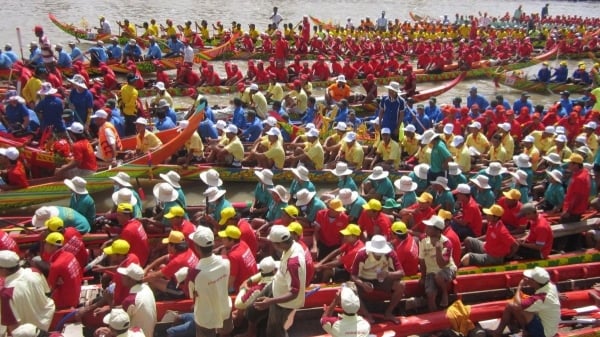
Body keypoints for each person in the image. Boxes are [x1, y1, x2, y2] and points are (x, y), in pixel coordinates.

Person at [245, 225, 306, 337]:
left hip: (285, 302)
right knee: (252, 310)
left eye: (273, 243)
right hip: (276, 285)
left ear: (280, 244)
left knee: (274, 331)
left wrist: (270, 301)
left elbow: (294, 292)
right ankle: (251, 333)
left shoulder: (293, 263)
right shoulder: (291, 246)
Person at [188, 226, 234, 337]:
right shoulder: (225, 260)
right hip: (224, 309)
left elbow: (193, 296)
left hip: (205, 316)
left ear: (196, 247)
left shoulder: (194, 273)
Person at [350, 234, 404, 324]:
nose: (379, 256)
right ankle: (367, 315)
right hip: (365, 280)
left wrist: (388, 274)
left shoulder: (390, 253)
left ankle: (388, 313)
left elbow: (401, 273)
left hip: (382, 281)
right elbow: (353, 276)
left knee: (401, 285)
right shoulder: (361, 255)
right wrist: (362, 284)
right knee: (350, 288)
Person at [492, 267, 560, 337]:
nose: (527, 279)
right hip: (551, 328)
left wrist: (520, 286)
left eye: (530, 279)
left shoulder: (540, 298)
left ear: (535, 282)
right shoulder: (550, 285)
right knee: (520, 307)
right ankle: (501, 332)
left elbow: (517, 304)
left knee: (513, 306)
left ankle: (498, 333)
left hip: (544, 333)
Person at [0, 250, 55, 332]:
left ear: (4, 270)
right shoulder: (35, 271)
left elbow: (14, 328)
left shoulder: (6, 294)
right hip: (49, 319)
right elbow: (47, 293)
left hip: (30, 332)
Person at [419, 215, 457, 312]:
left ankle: (445, 293)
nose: (426, 228)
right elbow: (422, 260)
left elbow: (442, 264)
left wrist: (438, 248)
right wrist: (423, 277)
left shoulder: (446, 243)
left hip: (446, 269)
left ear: (437, 231)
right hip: (430, 271)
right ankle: (435, 316)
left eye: (429, 227)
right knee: (430, 295)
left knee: (438, 276)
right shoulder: (423, 240)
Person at [143, 231, 198, 297]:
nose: (167, 246)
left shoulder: (177, 261)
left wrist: (138, 280)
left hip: (183, 291)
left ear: (173, 246)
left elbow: (154, 276)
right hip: (187, 282)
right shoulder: (187, 250)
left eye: (168, 244)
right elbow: (165, 257)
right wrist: (147, 268)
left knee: (152, 279)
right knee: (161, 267)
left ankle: (157, 297)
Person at [43, 232, 83, 309]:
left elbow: (49, 288)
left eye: (46, 243)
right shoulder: (70, 255)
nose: (44, 246)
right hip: (76, 296)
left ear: (53, 246)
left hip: (65, 303)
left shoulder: (56, 266)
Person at [117, 263, 157, 337]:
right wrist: (109, 308)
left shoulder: (131, 300)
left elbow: (117, 322)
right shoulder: (146, 288)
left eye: (124, 276)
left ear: (130, 279)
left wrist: (109, 300)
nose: (121, 277)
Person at [218, 225, 258, 293]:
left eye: (224, 238)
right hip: (254, 281)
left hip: (244, 289)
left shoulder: (233, 256)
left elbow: (230, 281)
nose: (222, 239)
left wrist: (219, 292)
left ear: (232, 241)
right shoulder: (243, 243)